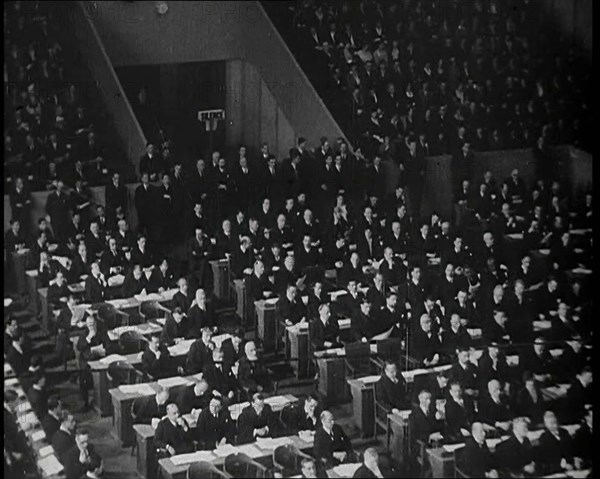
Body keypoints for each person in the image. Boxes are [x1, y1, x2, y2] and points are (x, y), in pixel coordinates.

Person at [76, 315, 110, 411]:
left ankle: (103, 402)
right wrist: (88, 338)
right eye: (89, 325)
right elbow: (79, 347)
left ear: (96, 324)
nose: (91, 327)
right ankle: (85, 402)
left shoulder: (102, 332)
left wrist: (104, 350)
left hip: (100, 358)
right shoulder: (84, 334)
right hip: (87, 361)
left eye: (93, 324)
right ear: (86, 325)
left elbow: (108, 345)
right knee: (83, 378)